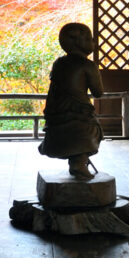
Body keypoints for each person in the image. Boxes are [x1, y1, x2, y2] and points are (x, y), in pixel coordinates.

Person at [38, 23, 104, 180]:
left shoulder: (59, 63)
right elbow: (98, 92)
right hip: (79, 110)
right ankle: (78, 164)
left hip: (58, 109)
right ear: (78, 43)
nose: (93, 42)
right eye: (90, 39)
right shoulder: (88, 65)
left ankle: (77, 162)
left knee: (74, 132)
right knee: (89, 132)